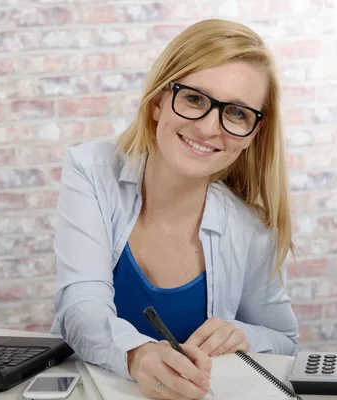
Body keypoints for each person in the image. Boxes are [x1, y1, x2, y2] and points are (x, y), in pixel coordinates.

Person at [50, 18, 299, 400]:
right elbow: (80, 308)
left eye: (236, 113)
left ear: (251, 135)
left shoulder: (250, 230)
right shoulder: (91, 172)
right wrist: (137, 355)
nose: (209, 128)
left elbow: (284, 339)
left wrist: (245, 336)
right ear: (157, 103)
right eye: (195, 99)